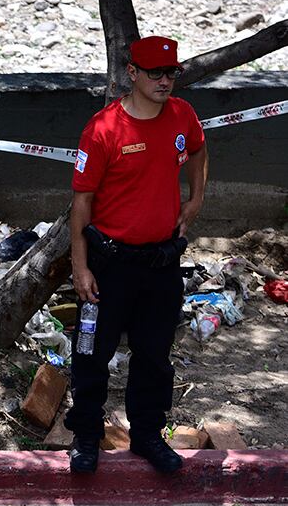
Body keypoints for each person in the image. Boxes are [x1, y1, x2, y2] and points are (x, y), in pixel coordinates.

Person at [64, 35, 208, 475]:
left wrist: (196, 199)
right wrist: (81, 265)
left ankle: (147, 435)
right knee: (92, 354)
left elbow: (199, 151)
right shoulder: (104, 129)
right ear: (133, 74)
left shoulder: (182, 115)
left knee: (155, 356)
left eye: (172, 73)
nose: (165, 81)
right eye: (155, 73)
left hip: (161, 263)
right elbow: (82, 202)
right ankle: (86, 437)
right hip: (110, 265)